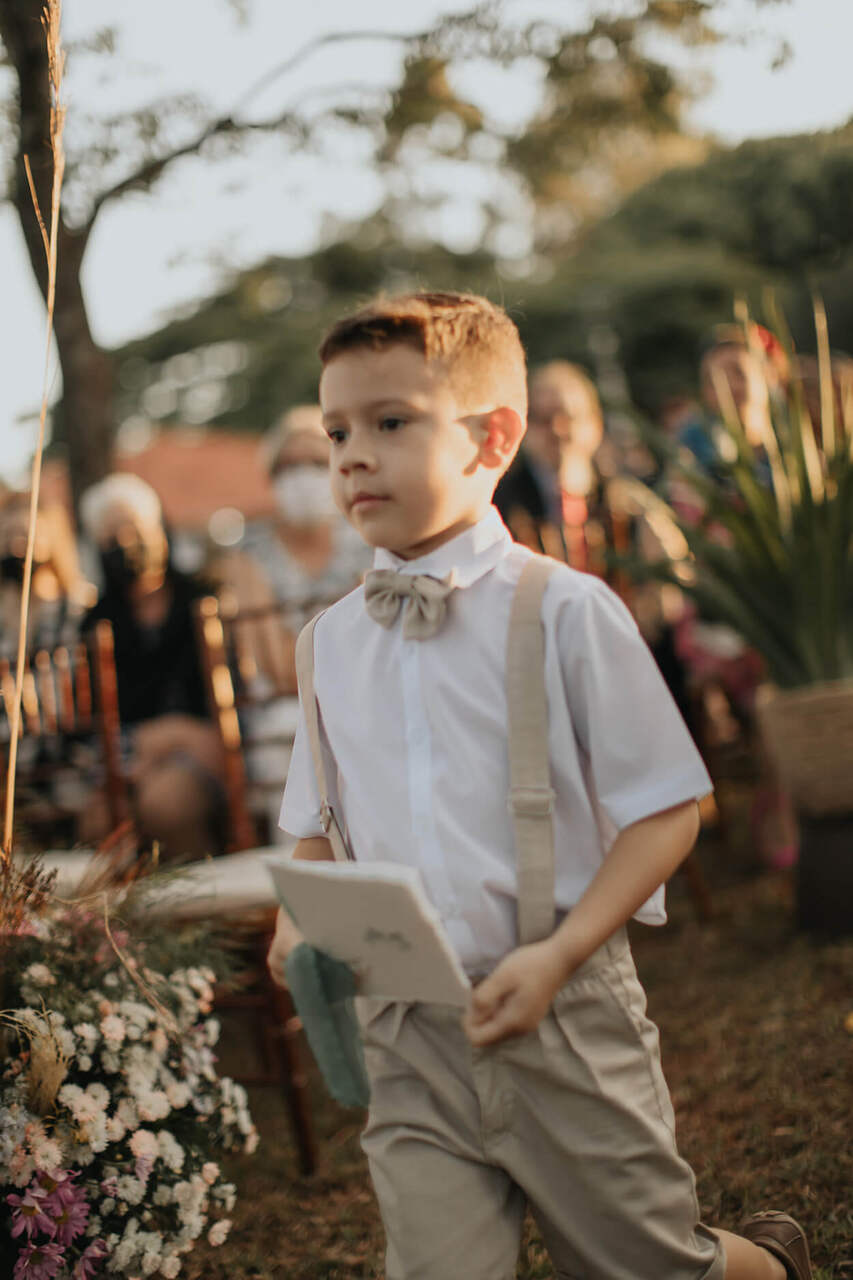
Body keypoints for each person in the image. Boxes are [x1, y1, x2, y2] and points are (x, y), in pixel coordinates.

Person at [267, 291, 813, 1280]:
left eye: (389, 423)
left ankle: (763, 1265)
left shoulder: (564, 610)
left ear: (492, 437)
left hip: (563, 1013)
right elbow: (315, 827)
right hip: (409, 1033)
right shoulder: (327, 645)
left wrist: (561, 952)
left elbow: (668, 807)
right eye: (336, 428)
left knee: (643, 1264)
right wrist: (298, 923)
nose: (349, 454)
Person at [80, 473, 226, 858]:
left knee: (168, 804)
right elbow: (97, 720)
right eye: (111, 538)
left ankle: (204, 905)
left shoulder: (204, 597)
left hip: (207, 751)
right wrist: (150, 747)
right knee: (98, 823)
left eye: (133, 529)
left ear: (158, 529)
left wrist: (178, 736)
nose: (125, 544)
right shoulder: (96, 623)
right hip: (130, 762)